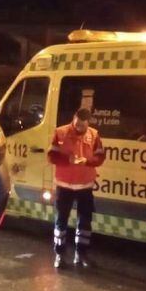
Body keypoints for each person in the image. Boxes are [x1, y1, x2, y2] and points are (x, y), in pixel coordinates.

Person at [47, 107, 105, 269]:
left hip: (85, 186)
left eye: (83, 125)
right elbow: (51, 156)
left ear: (88, 122)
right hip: (64, 185)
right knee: (61, 221)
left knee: (85, 221)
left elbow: (100, 157)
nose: (80, 128)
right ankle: (59, 255)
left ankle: (81, 254)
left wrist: (87, 161)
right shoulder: (60, 133)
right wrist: (67, 160)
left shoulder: (94, 134)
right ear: (74, 119)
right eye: (78, 125)